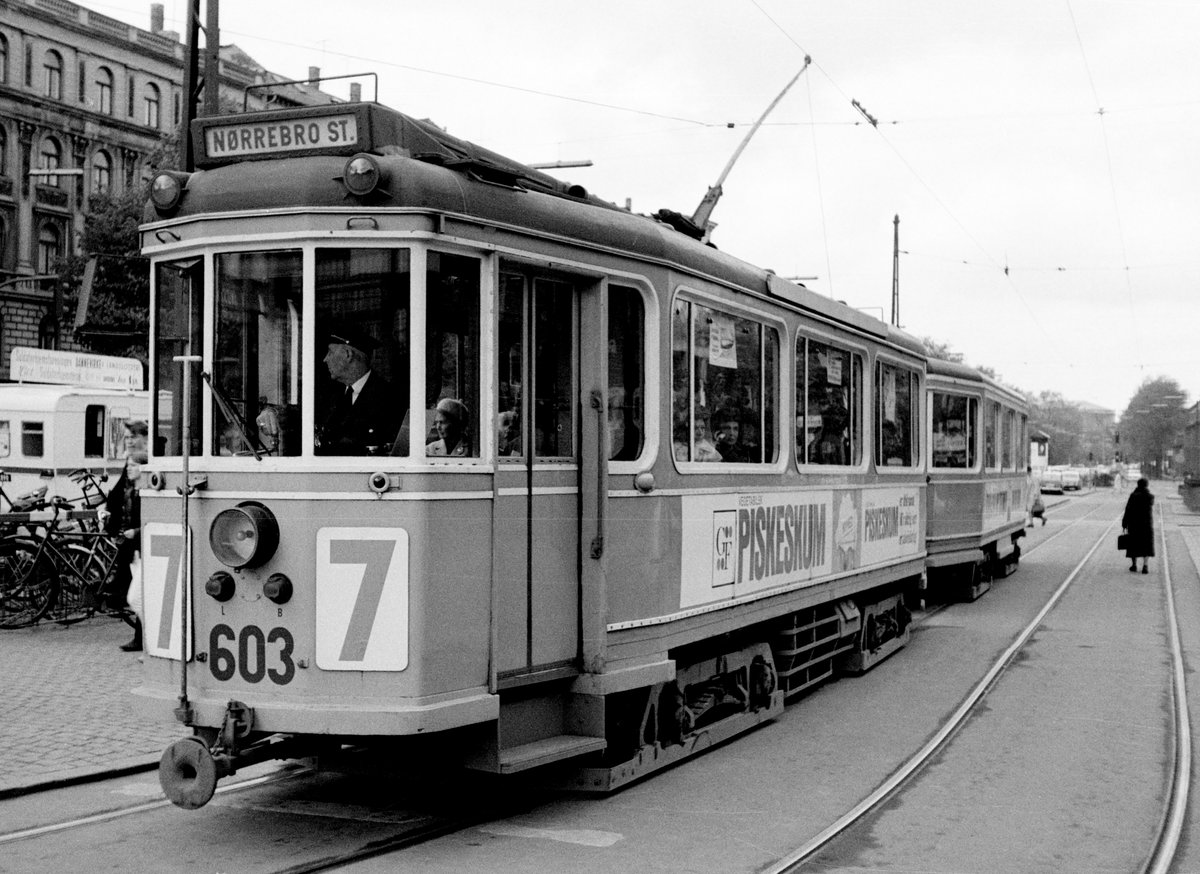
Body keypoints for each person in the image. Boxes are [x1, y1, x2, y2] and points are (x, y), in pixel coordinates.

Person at [99, 420, 148, 652]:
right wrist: (108, 512)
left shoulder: (146, 464)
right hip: (132, 543)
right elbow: (118, 494)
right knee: (141, 595)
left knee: (138, 596)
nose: (128, 440)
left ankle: (148, 640)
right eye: (127, 437)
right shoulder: (131, 463)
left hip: (141, 540)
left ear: (143, 438)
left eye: (132, 436)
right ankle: (143, 639)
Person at [317, 326, 401, 455]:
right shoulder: (330, 395)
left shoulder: (389, 397)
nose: (325, 359)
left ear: (348, 355)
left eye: (330, 352)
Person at [1121, 477, 1155, 574]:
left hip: (1134, 524)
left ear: (1138, 484)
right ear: (1146, 485)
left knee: (1133, 544)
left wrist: (1124, 523)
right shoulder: (1150, 497)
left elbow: (1128, 510)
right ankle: (1145, 565)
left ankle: (1134, 565)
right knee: (1146, 545)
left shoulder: (1133, 496)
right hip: (1146, 525)